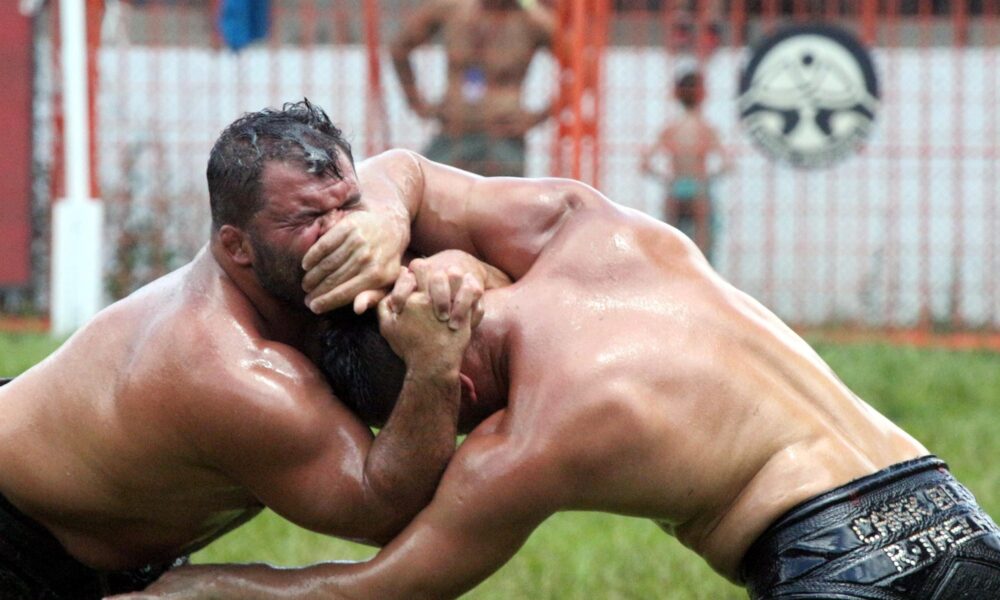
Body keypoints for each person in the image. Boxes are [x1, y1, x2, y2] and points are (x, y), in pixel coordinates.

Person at [116, 150, 1000, 599]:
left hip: (830, 562)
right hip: (952, 510)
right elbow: (411, 173)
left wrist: (196, 586)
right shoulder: (596, 233)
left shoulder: (527, 443)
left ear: (458, 398)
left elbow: (375, 590)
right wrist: (388, 224)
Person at [0, 101, 487, 599]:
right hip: (19, 533)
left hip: (83, 519)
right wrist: (433, 366)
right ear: (237, 247)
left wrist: (392, 220)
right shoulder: (229, 368)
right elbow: (385, 512)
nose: (344, 232)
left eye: (349, 205)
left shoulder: (296, 269)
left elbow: (405, 169)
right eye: (309, 219)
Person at [390, 0, 555, 177]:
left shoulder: (534, 21)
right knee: (426, 186)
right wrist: (416, 103)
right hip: (452, 132)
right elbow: (400, 48)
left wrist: (537, 117)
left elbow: (576, 68)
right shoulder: (450, 9)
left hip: (503, 137)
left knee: (505, 194)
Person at [640, 70, 731, 263]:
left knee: (670, 249)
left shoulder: (670, 129)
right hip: (699, 189)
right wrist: (708, 179)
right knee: (703, 252)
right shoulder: (706, 129)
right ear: (702, 95)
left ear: (677, 94)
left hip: (675, 188)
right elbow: (727, 165)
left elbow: (645, 164)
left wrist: (666, 180)